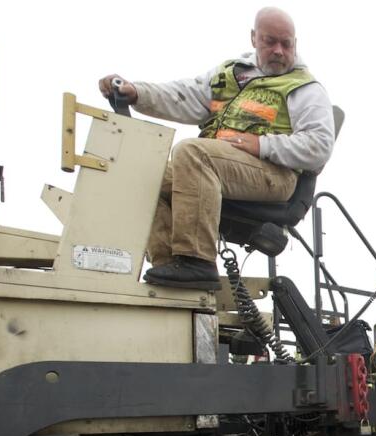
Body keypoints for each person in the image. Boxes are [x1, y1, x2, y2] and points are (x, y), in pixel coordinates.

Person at [98, 7, 335, 289]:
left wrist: (262, 144)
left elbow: (319, 145)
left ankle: (197, 261)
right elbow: (184, 96)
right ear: (253, 39)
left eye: (287, 43)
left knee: (192, 152)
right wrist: (137, 92)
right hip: (221, 166)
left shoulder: (304, 87)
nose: (279, 51)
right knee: (147, 175)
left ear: (296, 43)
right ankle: (168, 265)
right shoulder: (231, 74)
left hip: (274, 176)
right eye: (270, 41)